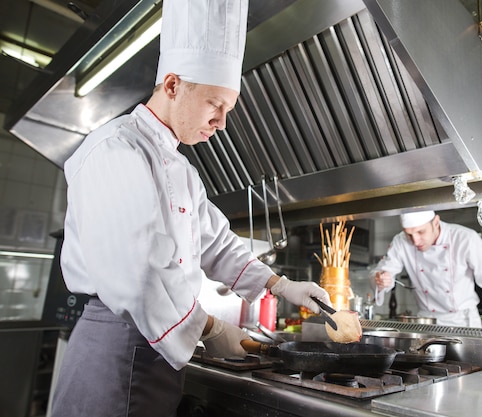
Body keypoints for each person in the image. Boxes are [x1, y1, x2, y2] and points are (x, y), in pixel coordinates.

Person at [49, 1, 331, 416]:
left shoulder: (182, 170)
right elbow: (139, 271)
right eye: (215, 104)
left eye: (228, 110)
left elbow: (215, 242)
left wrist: (279, 285)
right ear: (173, 84)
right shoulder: (116, 150)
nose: (221, 122)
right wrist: (211, 326)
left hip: (159, 353)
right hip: (117, 348)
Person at [370, 210, 482, 329]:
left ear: (436, 222)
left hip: (464, 322)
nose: (416, 241)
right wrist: (381, 279)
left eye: (421, 232)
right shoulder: (400, 242)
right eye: (409, 235)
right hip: (425, 322)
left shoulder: (465, 238)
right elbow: (382, 271)